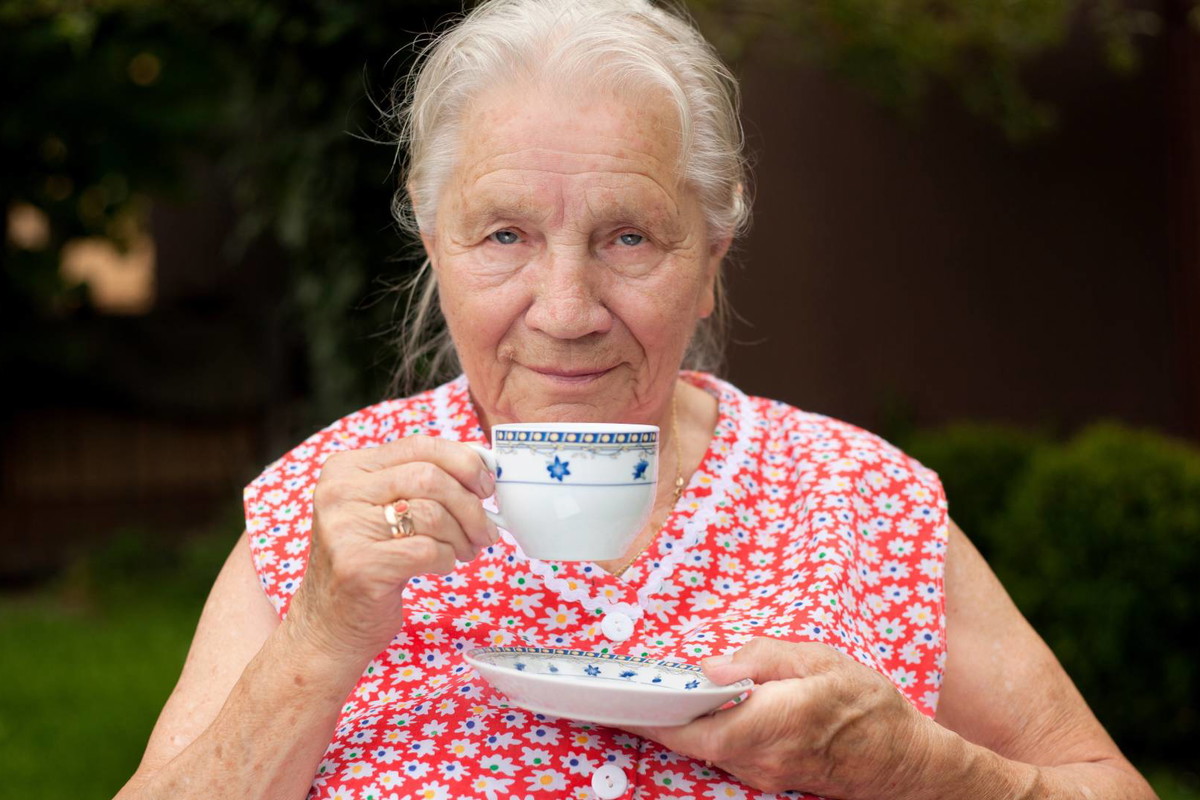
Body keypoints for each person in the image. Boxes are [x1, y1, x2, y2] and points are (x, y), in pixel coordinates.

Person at [117, 1, 1156, 798]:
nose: (566, 310)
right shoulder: (332, 508)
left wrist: (921, 767)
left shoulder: (861, 499)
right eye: (505, 234)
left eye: (628, 236)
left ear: (710, 258)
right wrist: (318, 637)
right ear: (436, 247)